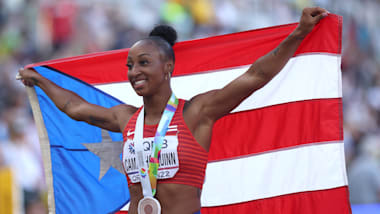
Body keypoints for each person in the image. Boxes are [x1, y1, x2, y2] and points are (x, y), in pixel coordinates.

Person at [19, 7, 329, 214]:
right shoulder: (126, 118)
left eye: (143, 63)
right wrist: (41, 81)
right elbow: (74, 107)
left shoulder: (197, 112)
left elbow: (255, 77)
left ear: (168, 67)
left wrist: (299, 33)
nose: (133, 71)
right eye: (129, 65)